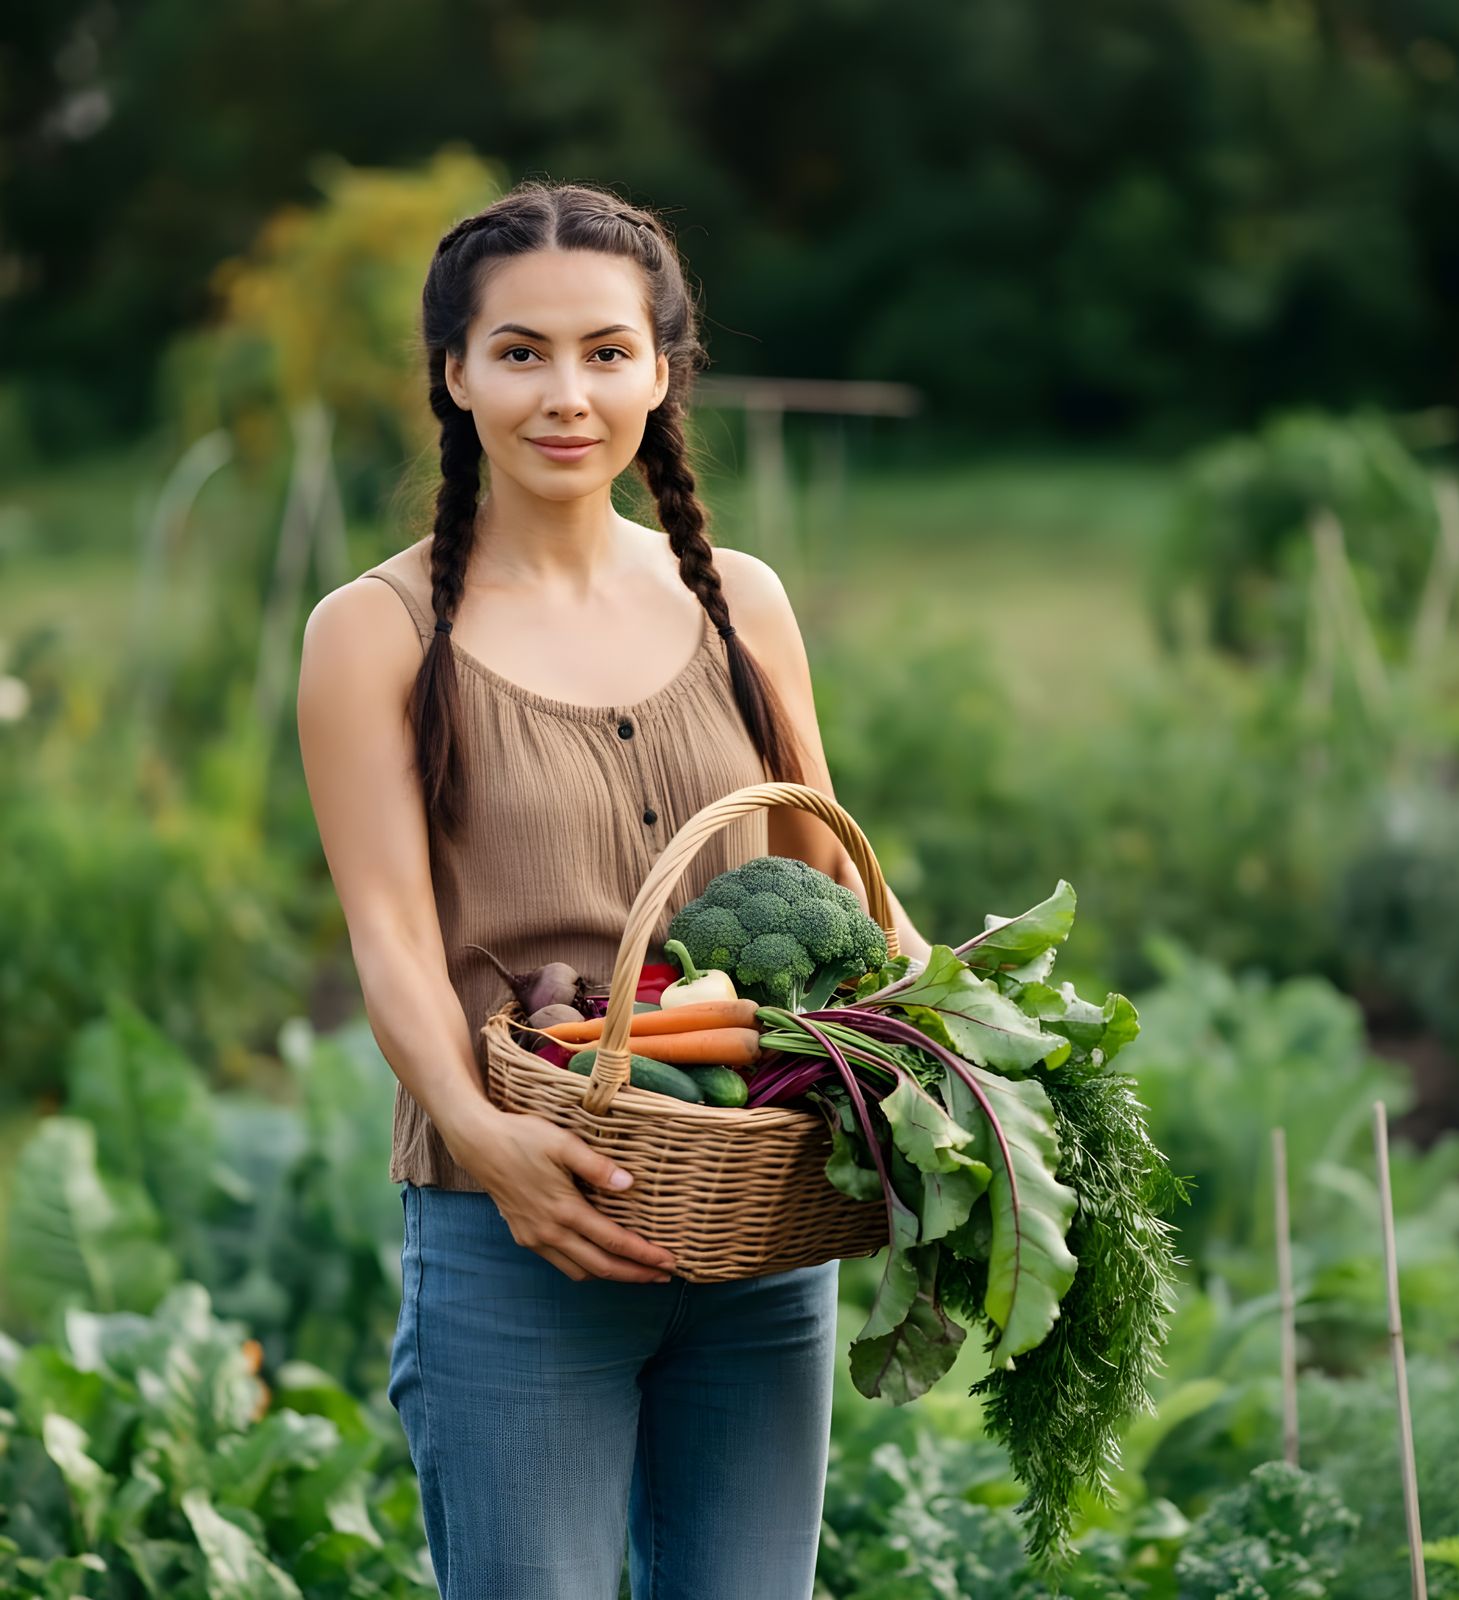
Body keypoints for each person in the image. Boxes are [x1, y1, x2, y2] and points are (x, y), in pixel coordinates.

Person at [296, 180, 932, 1600]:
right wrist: (481, 1133)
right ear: (454, 376)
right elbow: (391, 935)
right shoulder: (375, 635)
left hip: (759, 1220)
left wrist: (969, 1042)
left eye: (604, 351)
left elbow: (833, 867)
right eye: (519, 353)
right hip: (519, 1231)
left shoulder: (740, 602)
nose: (563, 395)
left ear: (663, 369)